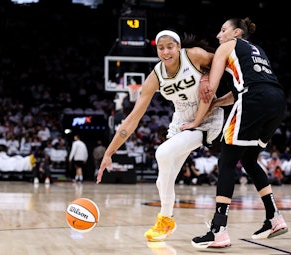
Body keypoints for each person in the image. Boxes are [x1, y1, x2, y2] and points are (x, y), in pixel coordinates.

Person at [96, 29, 224, 242]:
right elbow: (132, 119)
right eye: (161, 48)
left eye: (170, 46)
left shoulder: (193, 56)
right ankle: (166, 220)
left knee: (162, 153)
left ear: (178, 47)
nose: (165, 52)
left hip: (207, 117)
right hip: (180, 122)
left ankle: (165, 219)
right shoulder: (155, 76)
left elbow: (222, 61)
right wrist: (109, 153)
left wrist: (206, 77)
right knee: (162, 180)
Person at [181, 17, 288, 248]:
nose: (219, 36)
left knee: (227, 162)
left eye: (222, 30)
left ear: (236, 33)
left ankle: (218, 229)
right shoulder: (257, 50)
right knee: (249, 160)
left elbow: (210, 89)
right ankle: (274, 218)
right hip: (276, 101)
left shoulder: (227, 46)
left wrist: (195, 120)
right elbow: (241, 89)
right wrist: (219, 103)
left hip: (254, 99)